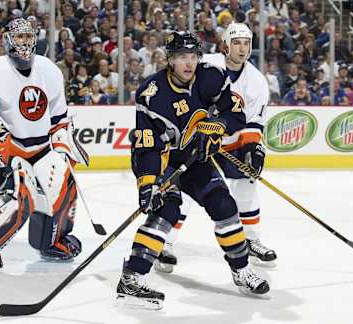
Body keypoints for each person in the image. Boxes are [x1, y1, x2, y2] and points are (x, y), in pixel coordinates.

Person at [116, 31, 270, 310]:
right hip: (161, 159)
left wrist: (215, 129)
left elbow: (234, 115)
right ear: (170, 60)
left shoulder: (211, 77)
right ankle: (132, 278)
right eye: (181, 57)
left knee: (224, 206)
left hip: (194, 159)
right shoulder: (151, 94)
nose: (188, 63)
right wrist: (148, 184)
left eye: (193, 56)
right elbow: (146, 147)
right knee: (166, 210)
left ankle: (241, 270)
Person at [0, 18, 89, 272]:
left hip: (41, 148)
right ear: (6, 39)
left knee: (65, 186)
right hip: (8, 150)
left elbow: (59, 118)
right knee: (16, 199)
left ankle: (52, 241)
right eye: (19, 38)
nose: (25, 43)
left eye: (28, 37)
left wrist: (63, 146)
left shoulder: (49, 69)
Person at [154, 23, 277, 274]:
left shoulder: (257, 82)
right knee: (186, 186)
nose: (242, 48)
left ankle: (250, 239)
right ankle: (164, 243)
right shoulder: (206, 65)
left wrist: (254, 148)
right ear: (225, 45)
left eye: (246, 43)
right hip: (194, 136)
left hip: (232, 138)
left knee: (247, 182)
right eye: (237, 43)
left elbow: (253, 121)